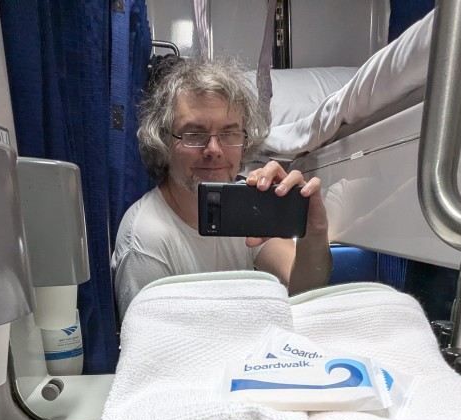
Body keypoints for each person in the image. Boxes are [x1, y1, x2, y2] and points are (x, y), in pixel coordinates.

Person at [111, 57, 333, 316]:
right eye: (194, 135)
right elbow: (154, 350)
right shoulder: (146, 239)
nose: (214, 150)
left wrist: (314, 232)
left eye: (229, 134)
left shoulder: (244, 203)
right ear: (163, 143)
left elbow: (304, 290)